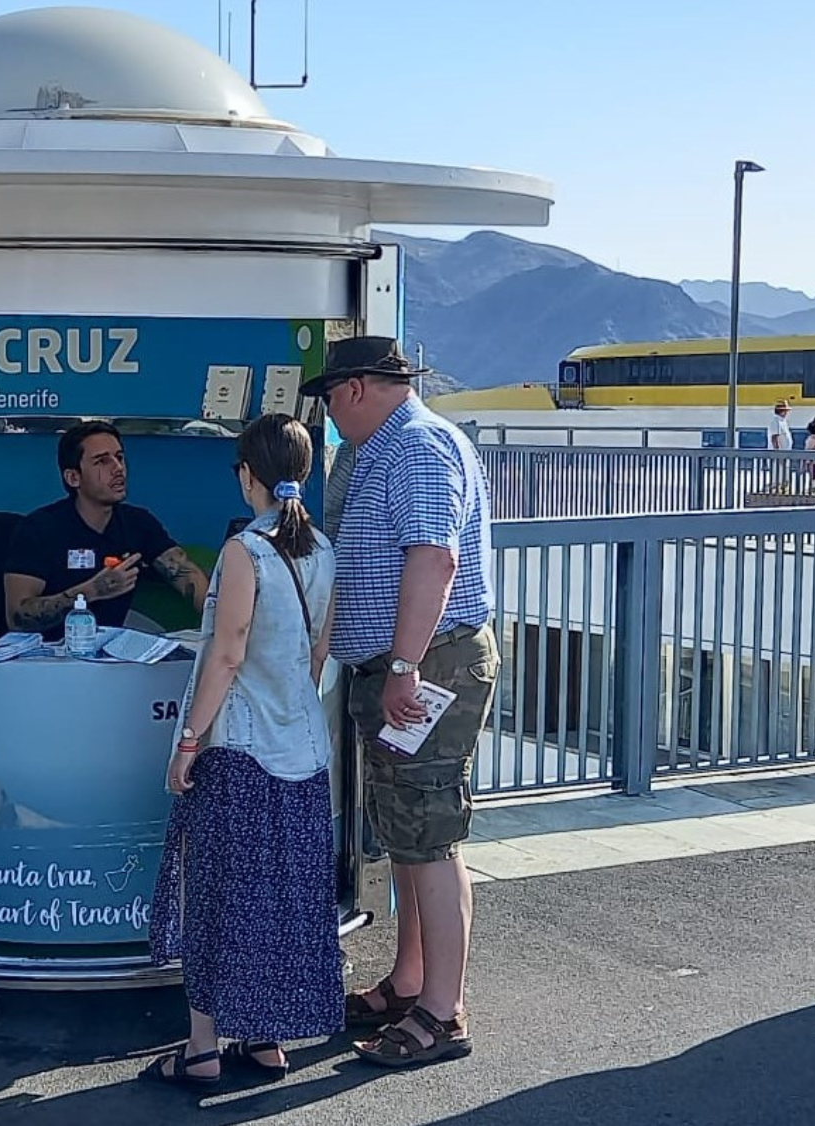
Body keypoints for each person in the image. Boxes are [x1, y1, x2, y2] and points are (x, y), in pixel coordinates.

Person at [308, 336, 496, 1068]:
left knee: (428, 831)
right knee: (409, 832)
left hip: (426, 664)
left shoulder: (416, 447)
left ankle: (443, 1012)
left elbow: (434, 557)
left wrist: (404, 666)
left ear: (356, 389)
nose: (329, 413)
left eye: (330, 398)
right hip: (403, 665)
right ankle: (413, 983)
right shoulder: (387, 447)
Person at [142, 413, 343, 1087]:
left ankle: (202, 1047)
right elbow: (317, 655)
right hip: (303, 751)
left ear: (247, 476)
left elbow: (226, 656)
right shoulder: (323, 549)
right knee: (281, 897)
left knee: (218, 897)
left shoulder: (243, 551)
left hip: (239, 752)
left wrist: (188, 742)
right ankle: (265, 1039)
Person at [2, 421, 208, 638]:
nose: (118, 468)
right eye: (102, 461)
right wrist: (91, 591)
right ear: (73, 477)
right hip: (46, 652)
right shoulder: (39, 529)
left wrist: (220, 623)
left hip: (108, 649)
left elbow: (187, 576)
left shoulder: (137, 523)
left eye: (119, 458)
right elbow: (17, 617)